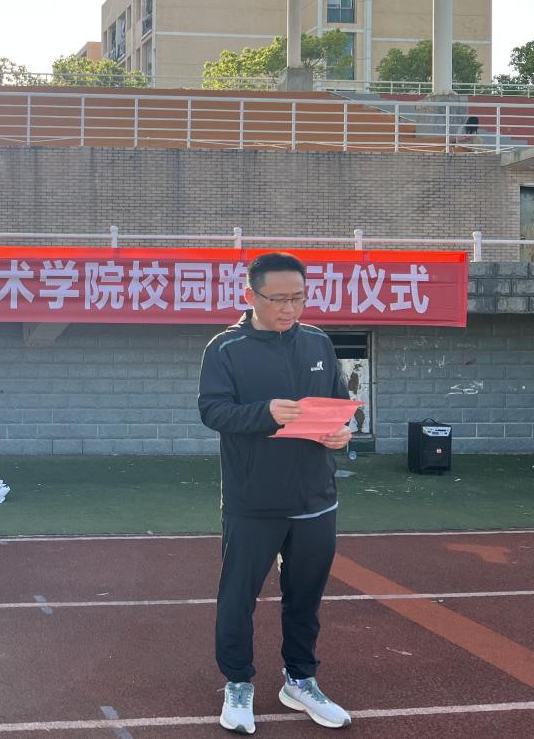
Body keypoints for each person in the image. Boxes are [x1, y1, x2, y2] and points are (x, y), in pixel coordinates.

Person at [198, 252, 353, 734]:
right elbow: (213, 411)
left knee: (305, 598)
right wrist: (265, 412)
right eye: (278, 299)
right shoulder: (225, 349)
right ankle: (237, 682)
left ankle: (300, 680)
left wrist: (342, 432)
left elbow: (340, 403)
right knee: (238, 597)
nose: (289, 308)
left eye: (298, 298)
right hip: (253, 501)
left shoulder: (318, 342)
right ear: (250, 295)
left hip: (315, 498)